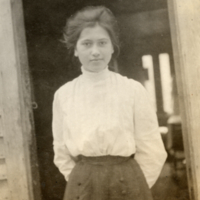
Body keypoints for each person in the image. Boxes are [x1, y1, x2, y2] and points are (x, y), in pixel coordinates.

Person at [52, 6, 167, 200]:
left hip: (128, 183)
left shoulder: (132, 89)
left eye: (102, 43)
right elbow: (61, 150)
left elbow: (152, 149)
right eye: (87, 44)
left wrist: (136, 185)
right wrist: (78, 182)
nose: (95, 51)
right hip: (82, 186)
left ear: (112, 47)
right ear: (75, 50)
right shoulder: (64, 94)